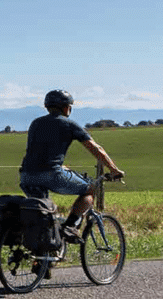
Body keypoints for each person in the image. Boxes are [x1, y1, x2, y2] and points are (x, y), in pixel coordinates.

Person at [19, 90, 125, 243]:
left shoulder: (36, 123)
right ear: (65, 107)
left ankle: (44, 258)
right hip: (51, 175)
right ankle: (70, 226)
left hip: (26, 176)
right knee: (89, 189)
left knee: (43, 214)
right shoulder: (68, 124)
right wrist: (114, 170)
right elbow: (96, 148)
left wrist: (61, 167)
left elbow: (42, 153)